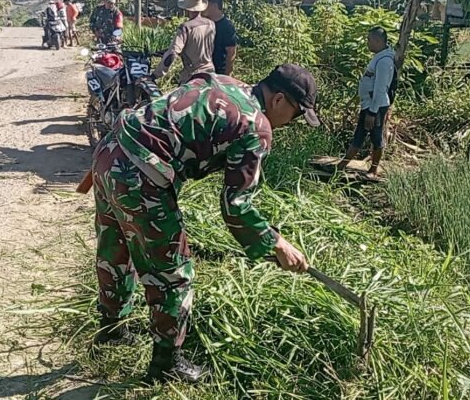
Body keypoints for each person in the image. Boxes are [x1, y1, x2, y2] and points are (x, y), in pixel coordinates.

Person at [91, 65, 318, 384]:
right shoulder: (257, 125)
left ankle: (111, 332)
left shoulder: (227, 83)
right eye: (295, 115)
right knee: (174, 274)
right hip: (139, 174)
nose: (290, 124)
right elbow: (235, 207)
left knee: (115, 247)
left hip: (111, 150)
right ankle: (166, 366)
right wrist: (277, 244)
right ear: (279, 99)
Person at [338, 27, 395, 178]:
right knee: (360, 134)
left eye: (369, 40)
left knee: (376, 137)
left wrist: (372, 112)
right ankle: (342, 165)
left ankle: (373, 170)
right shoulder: (379, 57)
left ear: (377, 41)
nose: (367, 43)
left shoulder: (384, 62)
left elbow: (380, 89)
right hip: (369, 105)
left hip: (375, 106)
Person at [154, 0, 215, 84]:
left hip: (192, 75)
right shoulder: (211, 24)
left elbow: (172, 54)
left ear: (186, 9)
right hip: (210, 73)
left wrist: (156, 74)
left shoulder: (185, 28)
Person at [204, 0, 237, 76]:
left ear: (214, 6)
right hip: (203, 70)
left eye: (206, 4)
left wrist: (227, 75)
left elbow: (231, 52)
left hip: (219, 72)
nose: (203, 8)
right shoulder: (203, 23)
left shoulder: (227, 26)